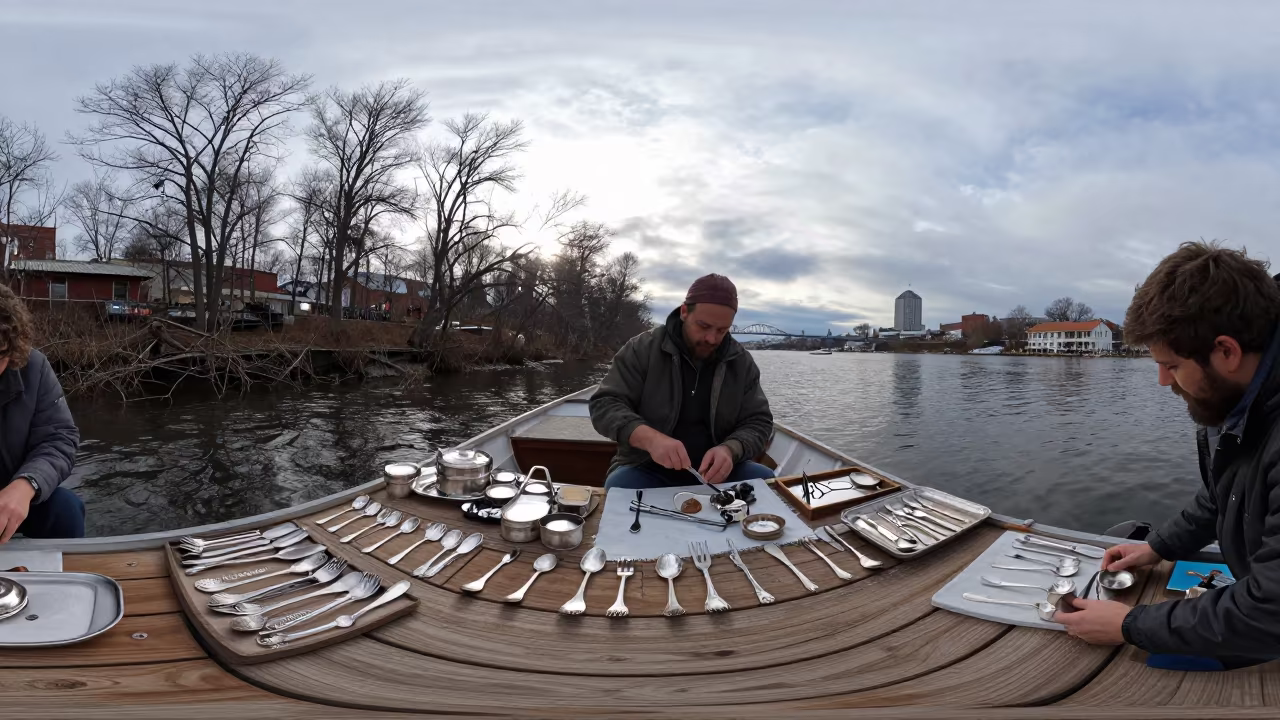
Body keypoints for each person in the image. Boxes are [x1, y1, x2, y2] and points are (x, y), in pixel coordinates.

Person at [1056, 241, 1280, 669]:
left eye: (1172, 365)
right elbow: (1223, 495)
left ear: (1226, 351)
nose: (1162, 382)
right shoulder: (1239, 402)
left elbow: (1272, 610)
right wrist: (1158, 547)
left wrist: (1131, 626)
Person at [590, 273, 775, 489]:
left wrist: (731, 450)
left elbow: (759, 421)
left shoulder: (742, 362)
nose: (712, 339)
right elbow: (604, 404)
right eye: (704, 326)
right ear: (685, 312)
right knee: (618, 488)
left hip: (719, 473)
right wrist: (650, 439)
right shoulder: (642, 349)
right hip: (646, 466)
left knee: (769, 483)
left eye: (722, 330)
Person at [0, 284, 83, 541]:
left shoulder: (35, 368)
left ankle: (63, 579)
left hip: (13, 495)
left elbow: (59, 438)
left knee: (65, 509)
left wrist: (27, 484)